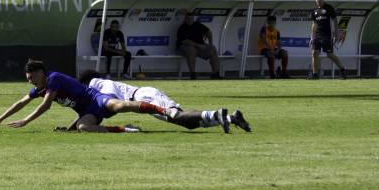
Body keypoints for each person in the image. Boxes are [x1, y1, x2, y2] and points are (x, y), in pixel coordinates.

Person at [0, 59, 181, 133]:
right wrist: (0, 118)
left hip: (96, 99)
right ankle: (125, 129)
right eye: (28, 79)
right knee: (84, 128)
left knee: (120, 106)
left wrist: (25, 121)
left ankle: (163, 110)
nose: (30, 81)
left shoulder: (53, 79)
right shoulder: (40, 88)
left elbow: (46, 105)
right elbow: (21, 102)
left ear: (41, 73)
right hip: (88, 112)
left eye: (32, 77)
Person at [77, 70, 251, 133]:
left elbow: (111, 103)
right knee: (187, 123)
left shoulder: (98, 83)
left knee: (177, 116)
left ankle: (215, 114)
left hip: (143, 97)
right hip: (144, 95)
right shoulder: (99, 85)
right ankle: (232, 118)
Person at [310, 0, 347, 79]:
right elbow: (314, 24)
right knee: (314, 53)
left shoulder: (329, 8)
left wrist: (336, 34)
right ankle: (315, 74)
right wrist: (312, 36)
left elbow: (335, 21)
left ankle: (342, 69)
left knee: (329, 54)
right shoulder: (314, 11)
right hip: (317, 35)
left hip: (327, 35)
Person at [176, 10, 221, 79]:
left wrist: (210, 43)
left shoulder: (197, 25)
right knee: (191, 49)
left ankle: (215, 74)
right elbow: (186, 41)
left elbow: (209, 32)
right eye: (188, 18)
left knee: (212, 49)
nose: (189, 20)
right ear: (185, 19)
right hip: (184, 48)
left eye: (191, 18)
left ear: (193, 18)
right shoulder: (182, 28)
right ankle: (193, 75)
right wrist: (198, 45)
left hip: (199, 47)